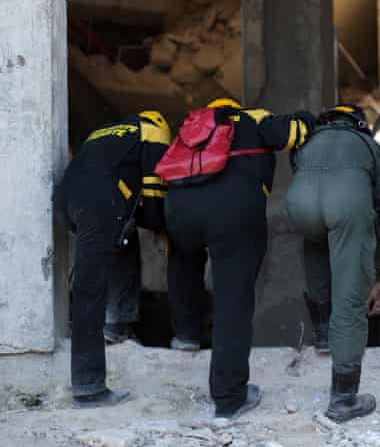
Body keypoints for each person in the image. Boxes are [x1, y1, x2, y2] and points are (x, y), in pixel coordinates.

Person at [163, 98, 314, 420]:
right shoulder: (254, 118)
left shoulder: (190, 128)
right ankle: (230, 397)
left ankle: (186, 334)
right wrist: (307, 118)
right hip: (233, 211)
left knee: (182, 259)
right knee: (233, 300)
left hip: (179, 209)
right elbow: (292, 133)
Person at [287, 103, 380, 423]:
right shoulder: (369, 145)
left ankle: (323, 330)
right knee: (351, 296)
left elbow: (300, 171)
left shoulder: (308, 141)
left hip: (299, 206)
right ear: (359, 123)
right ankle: (344, 399)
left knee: (316, 240)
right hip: (346, 207)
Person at [54, 111, 171, 408]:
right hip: (100, 202)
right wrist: (164, 230)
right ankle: (89, 386)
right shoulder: (154, 131)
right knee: (89, 289)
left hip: (67, 199)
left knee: (122, 242)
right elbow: (155, 198)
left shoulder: (104, 130)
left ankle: (117, 326)